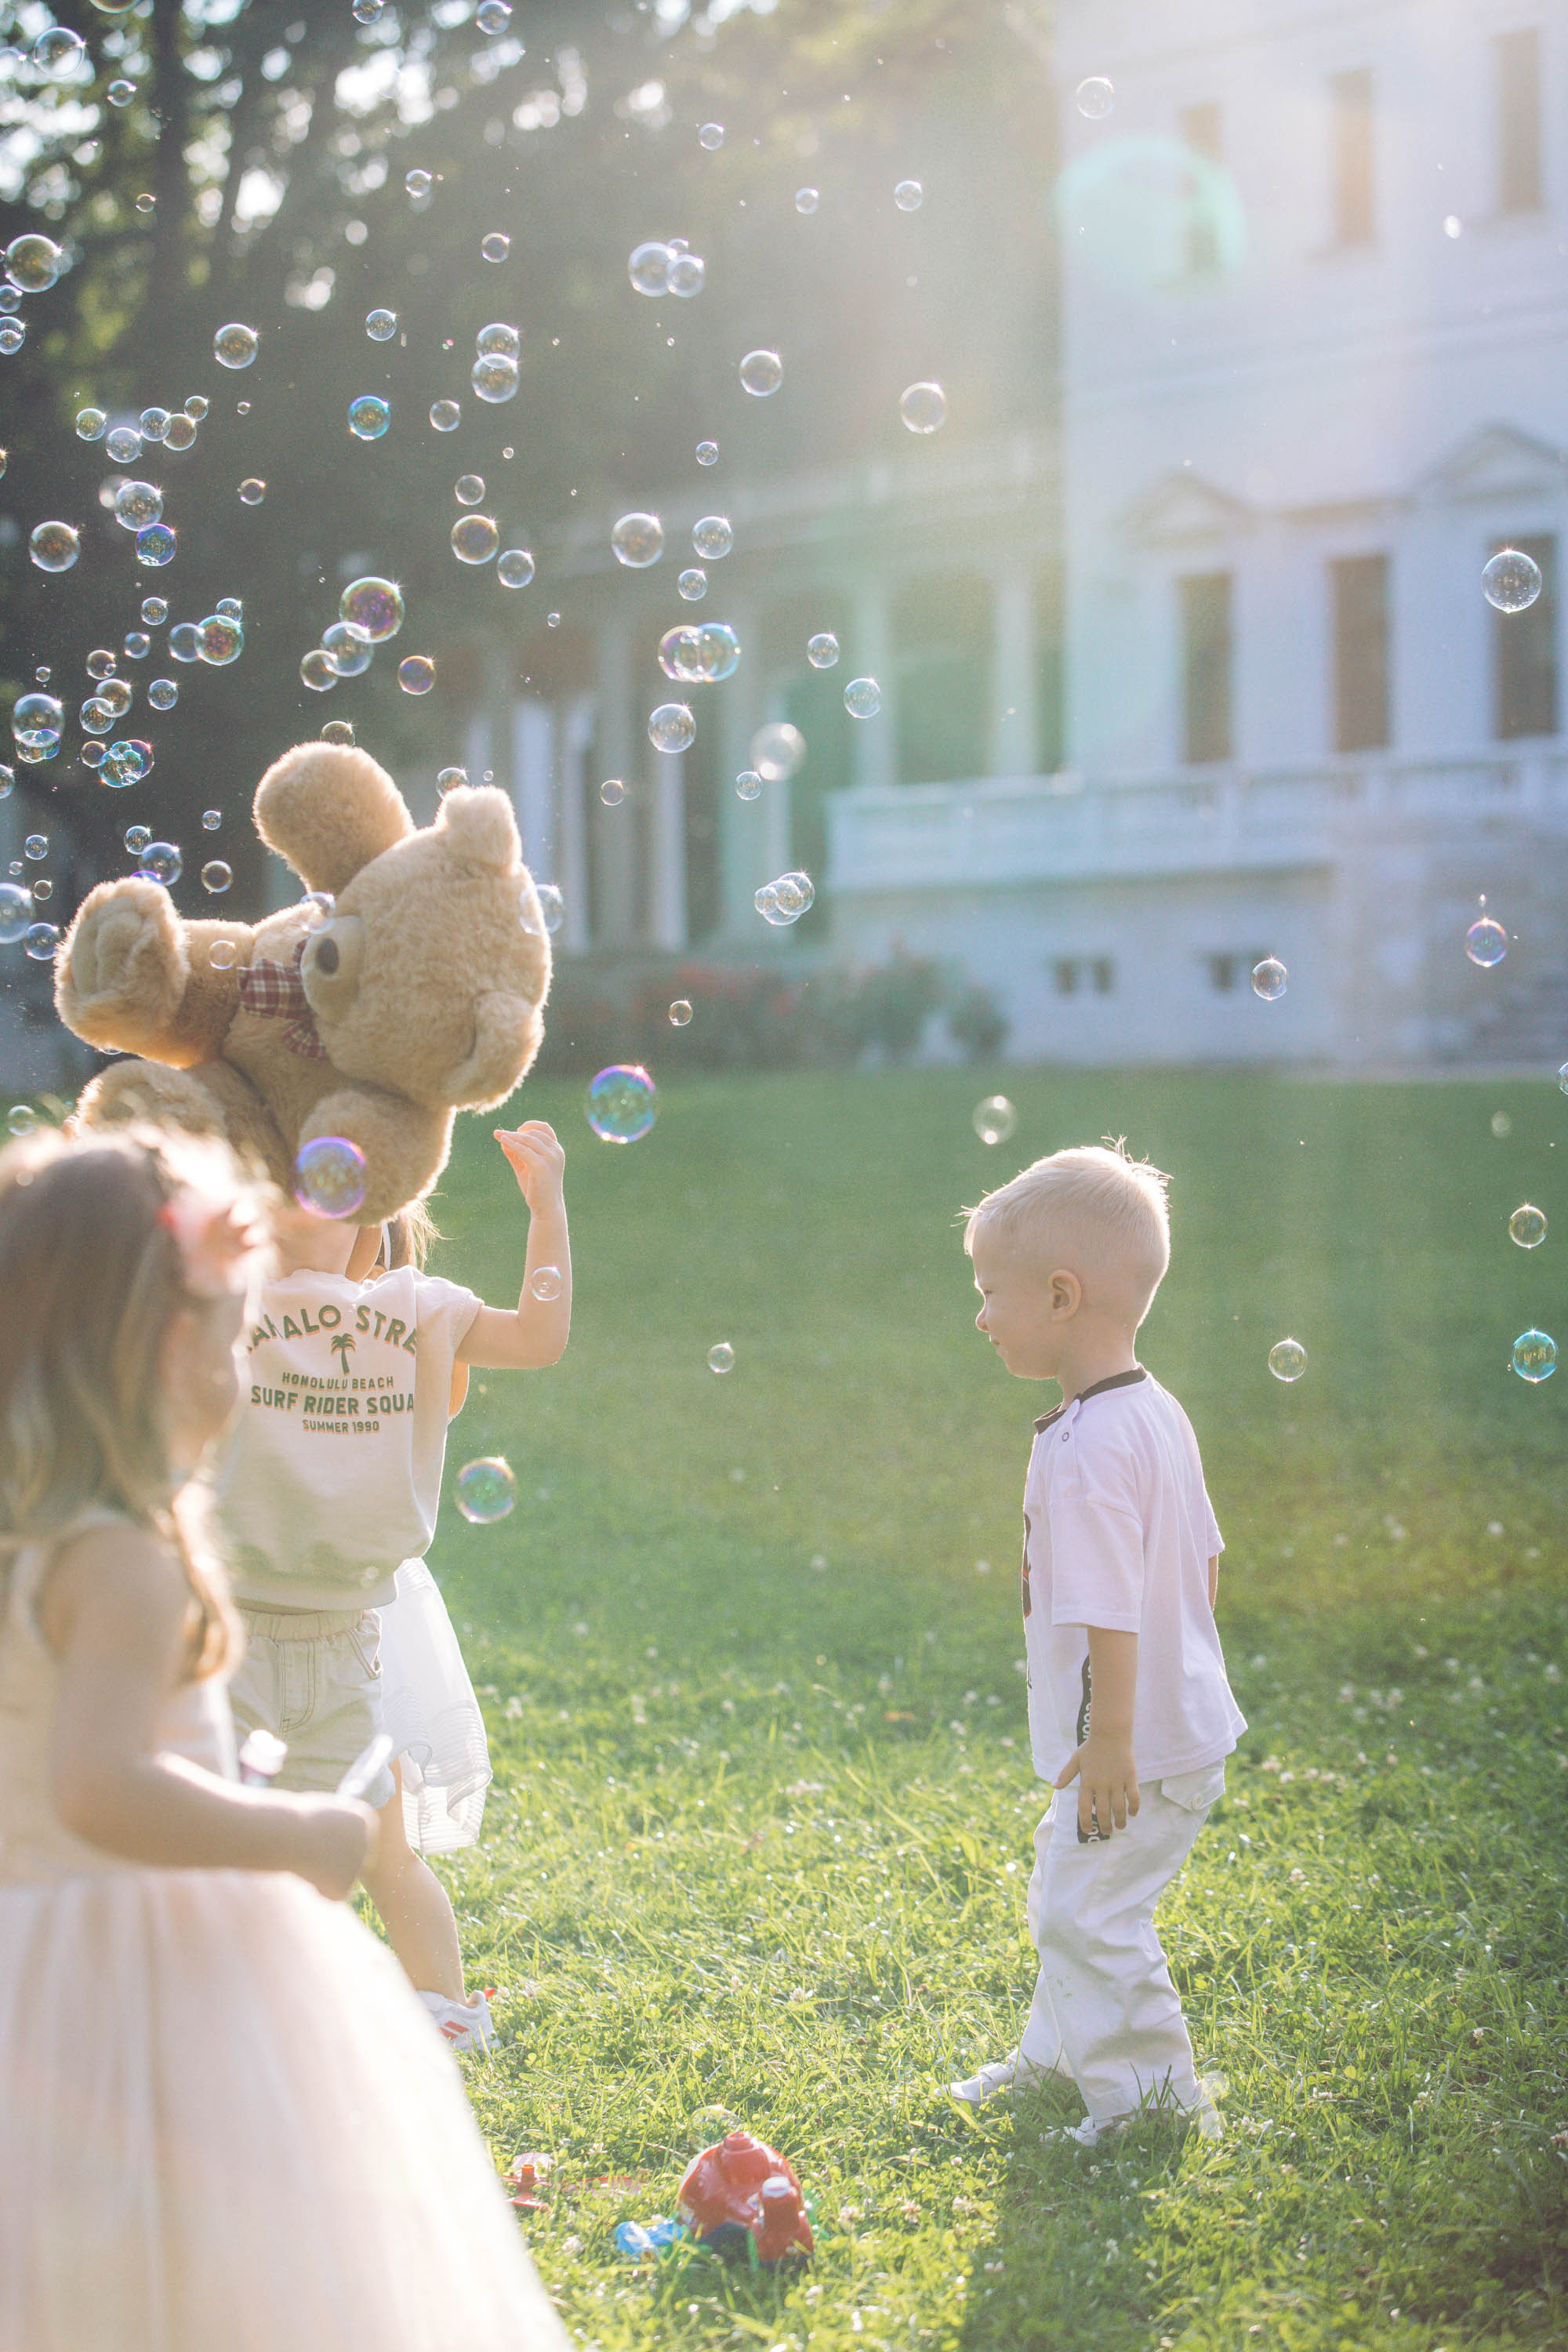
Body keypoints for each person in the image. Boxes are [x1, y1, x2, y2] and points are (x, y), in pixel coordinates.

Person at [0, 1127, 568, 2350]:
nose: (248, 1364)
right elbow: (100, 1786)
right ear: (162, 1349)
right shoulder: (126, 1563)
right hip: (128, 1962)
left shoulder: (38, 1530)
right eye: (230, 1333)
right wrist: (300, 1830)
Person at [218, 1122, 571, 2053]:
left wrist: (548, 1209)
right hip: (227, 1641)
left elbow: (538, 1337)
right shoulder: (231, 1304)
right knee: (230, 1859)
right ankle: (230, 2025)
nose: (296, 1214)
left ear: (371, 1231)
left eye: (328, 1197)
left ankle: (448, 2020)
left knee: (387, 1855)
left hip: (346, 1654)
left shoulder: (416, 1315)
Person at [949, 1142, 1245, 2147]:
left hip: (1133, 1748)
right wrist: (1175, 1682)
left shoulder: (1082, 1448)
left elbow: (1111, 1607)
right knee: (1066, 1891)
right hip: (1166, 1724)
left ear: (1061, 1296)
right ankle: (1057, 2055)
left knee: (1089, 1916)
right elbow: (1202, 1561)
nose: (981, 1314)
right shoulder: (1154, 1413)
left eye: (991, 1291)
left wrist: (1117, 1734)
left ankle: (1151, 2103)